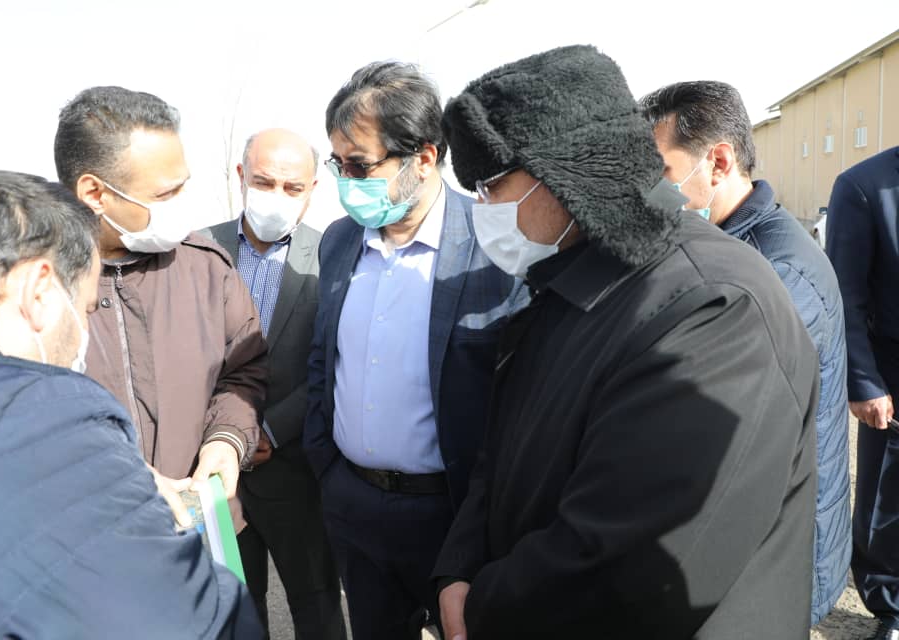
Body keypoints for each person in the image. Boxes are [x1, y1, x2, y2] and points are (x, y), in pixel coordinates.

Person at [432, 45, 820, 639]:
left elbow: (631, 563)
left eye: (489, 186)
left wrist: (484, 606)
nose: (481, 208)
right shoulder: (565, 280)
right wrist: (458, 568)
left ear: (563, 173)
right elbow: (501, 453)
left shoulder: (714, 307)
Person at [0, 170, 261, 638]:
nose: (86, 330)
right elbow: (185, 621)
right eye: (88, 308)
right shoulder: (41, 413)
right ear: (39, 291)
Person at [304, 61, 527, 639]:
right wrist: (328, 467)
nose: (346, 181)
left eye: (360, 165)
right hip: (353, 503)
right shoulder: (340, 241)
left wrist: (479, 523)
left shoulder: (495, 246)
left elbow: (519, 402)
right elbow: (323, 358)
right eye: (337, 164)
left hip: (452, 514)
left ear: (423, 159)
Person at [640, 80, 851, 625]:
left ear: (717, 162)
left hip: (779, 550)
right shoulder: (720, 246)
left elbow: (727, 420)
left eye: (661, 172)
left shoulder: (778, 272)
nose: (649, 191)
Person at [53, 86, 268, 516]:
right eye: (163, 195)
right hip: (84, 528)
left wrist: (227, 439)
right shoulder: (33, 290)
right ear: (94, 193)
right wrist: (110, 471)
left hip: (201, 524)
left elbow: (243, 372)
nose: (179, 206)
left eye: (182, 187)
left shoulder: (207, 269)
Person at [200, 128, 346, 640]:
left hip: (296, 471)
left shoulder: (334, 254)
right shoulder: (198, 250)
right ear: (241, 176)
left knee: (318, 607)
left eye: (293, 187)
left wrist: (274, 430)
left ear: (312, 190)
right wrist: (225, 434)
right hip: (215, 473)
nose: (277, 197)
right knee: (235, 610)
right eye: (264, 182)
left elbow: (334, 360)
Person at [826, 145, 899, 640]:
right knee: (888, 501)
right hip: (892, 377)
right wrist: (865, 382)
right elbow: (845, 296)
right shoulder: (863, 186)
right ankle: (892, 607)